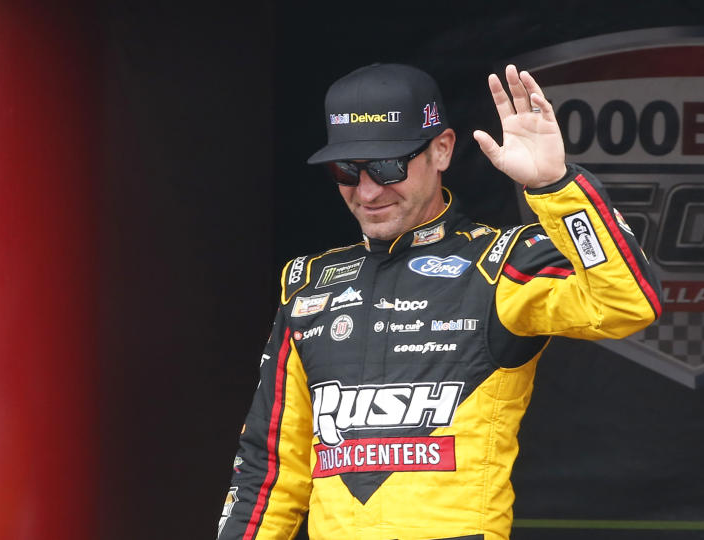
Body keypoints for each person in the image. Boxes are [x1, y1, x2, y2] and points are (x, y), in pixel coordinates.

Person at [217, 62, 662, 540]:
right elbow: (268, 472)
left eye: (387, 167)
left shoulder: (500, 264)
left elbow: (627, 303)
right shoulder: (310, 285)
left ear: (442, 150)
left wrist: (555, 186)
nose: (367, 191)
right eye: (347, 169)